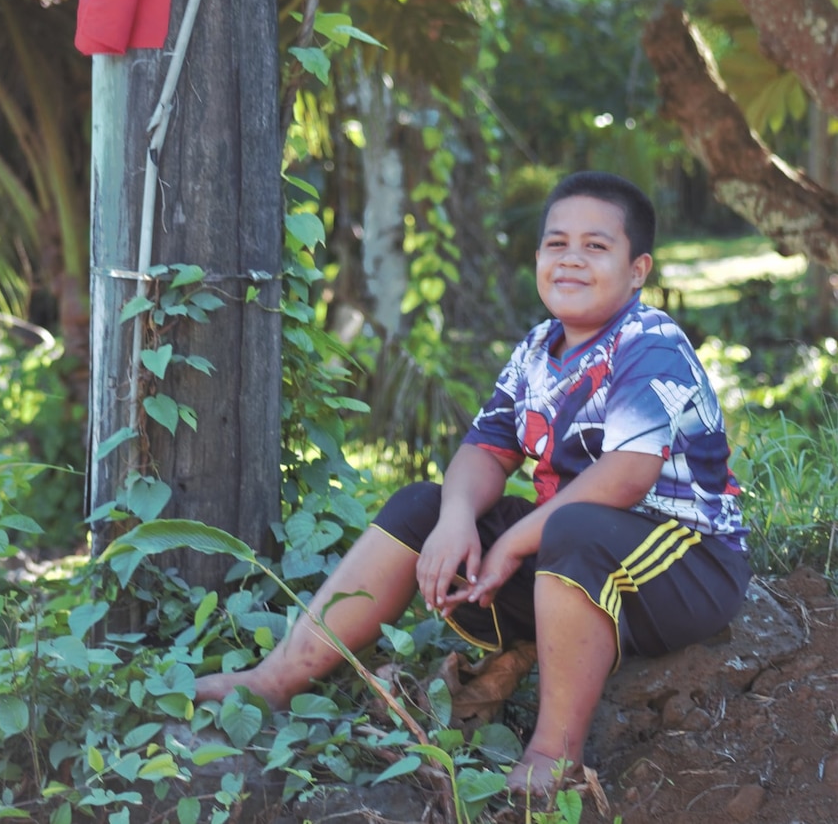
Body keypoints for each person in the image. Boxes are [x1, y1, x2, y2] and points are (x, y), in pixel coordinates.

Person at [195, 171, 750, 796]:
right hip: (579, 555)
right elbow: (486, 448)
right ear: (537, 256)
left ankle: (553, 754)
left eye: (596, 246)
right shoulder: (540, 348)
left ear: (637, 268)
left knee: (572, 526)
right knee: (421, 508)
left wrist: (513, 544)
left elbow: (625, 477)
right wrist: (457, 516)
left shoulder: (649, 343)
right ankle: (275, 679)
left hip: (686, 564)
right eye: (555, 243)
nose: (570, 258)